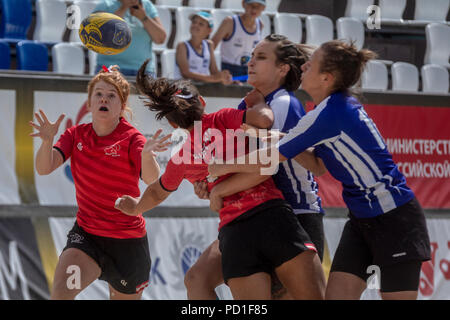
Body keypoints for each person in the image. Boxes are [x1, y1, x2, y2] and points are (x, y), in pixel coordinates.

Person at [209, 40, 432, 300]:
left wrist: (219, 167)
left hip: (396, 218)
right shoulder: (328, 109)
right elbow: (318, 165)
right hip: (361, 221)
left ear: (326, 77)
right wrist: (281, 139)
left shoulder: (328, 114)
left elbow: (271, 158)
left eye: (310, 64)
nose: (303, 65)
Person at [115, 59, 326, 300]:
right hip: (272, 216)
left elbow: (157, 192)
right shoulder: (223, 118)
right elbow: (265, 119)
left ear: (173, 123)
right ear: (202, 103)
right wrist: (257, 102)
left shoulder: (182, 158)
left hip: (235, 234)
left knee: (201, 282)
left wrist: (135, 208)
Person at [184, 34, 326, 300]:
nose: (250, 63)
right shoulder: (247, 107)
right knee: (196, 279)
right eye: (250, 57)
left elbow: (266, 163)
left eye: (261, 57)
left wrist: (219, 187)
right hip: (255, 214)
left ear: (282, 69)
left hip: (296, 214)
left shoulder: (284, 103)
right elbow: (238, 166)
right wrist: (209, 185)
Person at [29, 66, 172, 300]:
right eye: (98, 94)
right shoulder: (76, 135)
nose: (104, 98)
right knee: (61, 294)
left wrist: (147, 156)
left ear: (122, 106)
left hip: (127, 244)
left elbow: (152, 179)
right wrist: (47, 142)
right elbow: (44, 168)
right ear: (89, 103)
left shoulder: (132, 138)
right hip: (86, 237)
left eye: (111, 95)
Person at [94, 0, 166, 76]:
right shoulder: (105, 5)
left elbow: (160, 39)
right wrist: (124, 7)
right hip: (109, 69)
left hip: (143, 71)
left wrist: (144, 17)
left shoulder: (147, 6)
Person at [212, 0, 266, 80]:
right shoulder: (230, 22)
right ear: (243, 4)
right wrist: (215, 73)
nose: (254, 9)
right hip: (229, 71)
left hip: (248, 72)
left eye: (258, 6)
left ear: (263, 8)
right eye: (251, 5)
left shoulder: (260, 25)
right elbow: (210, 47)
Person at [174, 11, 232, 85]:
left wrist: (225, 78)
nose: (195, 25)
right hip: (182, 90)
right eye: (194, 22)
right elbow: (185, 73)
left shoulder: (209, 45)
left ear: (209, 30)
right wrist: (214, 78)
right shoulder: (182, 46)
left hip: (201, 90)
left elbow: (214, 72)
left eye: (201, 24)